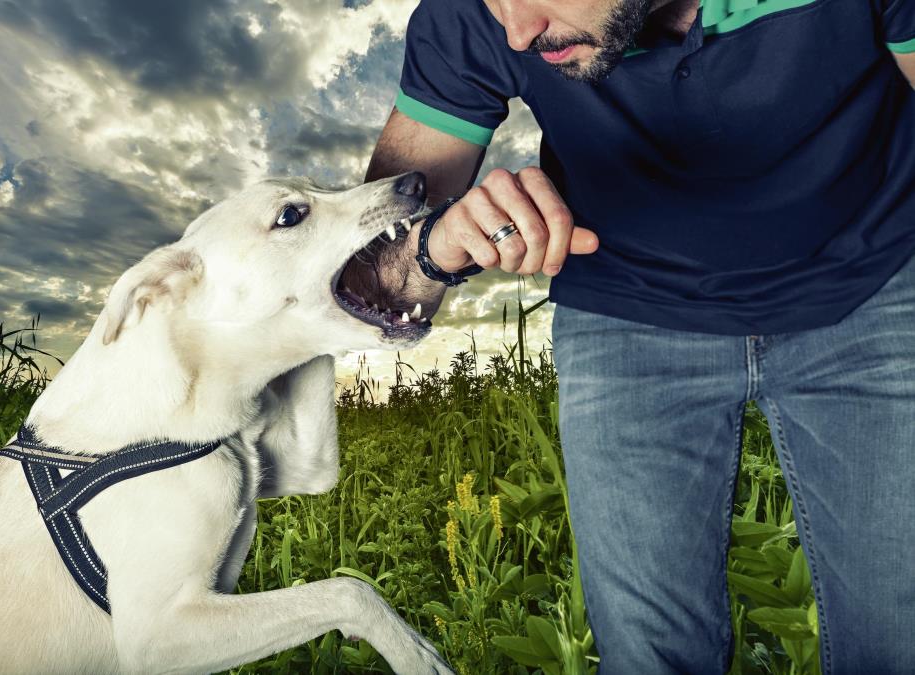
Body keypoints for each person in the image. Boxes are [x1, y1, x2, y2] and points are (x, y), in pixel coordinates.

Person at [363, 0, 915, 673]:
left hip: (873, 284)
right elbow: (374, 275)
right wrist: (435, 244)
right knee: (649, 656)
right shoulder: (476, 17)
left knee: (899, 638)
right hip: (626, 311)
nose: (517, 31)